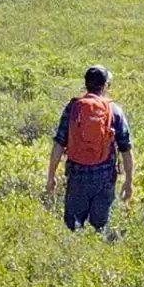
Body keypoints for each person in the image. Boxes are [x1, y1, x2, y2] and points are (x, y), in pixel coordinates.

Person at [46, 66, 134, 233]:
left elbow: (59, 144)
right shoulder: (114, 110)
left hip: (77, 174)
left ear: (86, 84)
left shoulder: (73, 108)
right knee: (99, 227)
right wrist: (129, 182)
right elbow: (126, 149)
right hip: (105, 177)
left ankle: (72, 253)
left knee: (72, 227)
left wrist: (51, 176)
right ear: (106, 85)